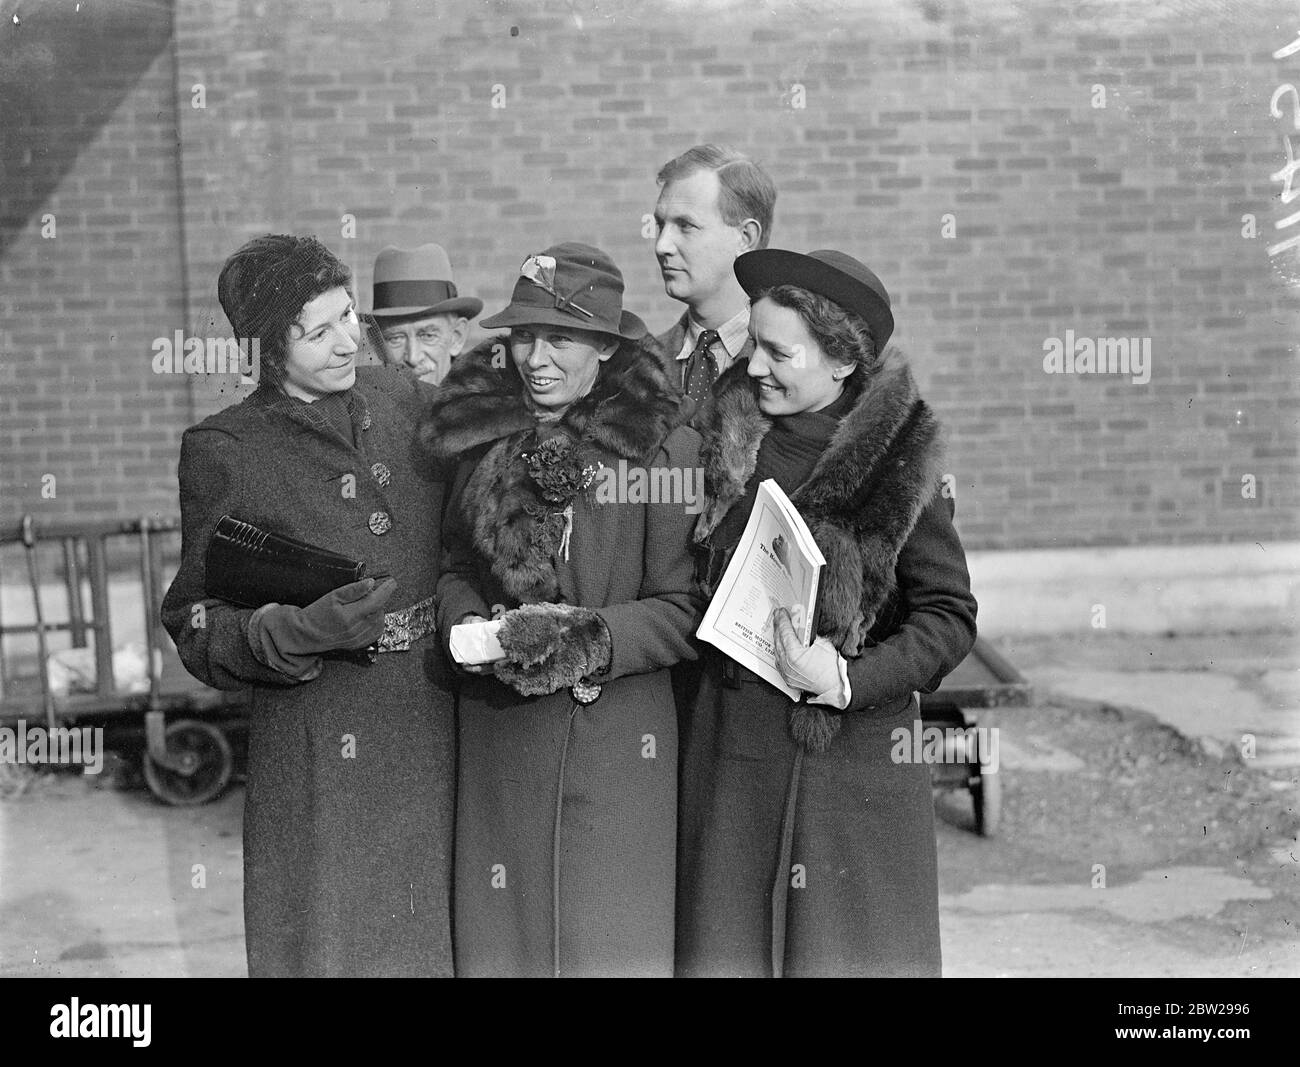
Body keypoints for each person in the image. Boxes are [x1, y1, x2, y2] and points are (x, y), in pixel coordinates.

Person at [676, 248, 979, 978]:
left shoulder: (898, 462)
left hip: (850, 775)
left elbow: (948, 614)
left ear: (842, 360)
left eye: (780, 353)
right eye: (755, 346)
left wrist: (845, 676)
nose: (754, 369)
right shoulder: (716, 442)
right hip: (731, 755)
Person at [160, 234, 455, 977]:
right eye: (318, 332)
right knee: (334, 941)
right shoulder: (227, 447)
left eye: (350, 316)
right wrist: (285, 632)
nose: (348, 340)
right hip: (321, 739)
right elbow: (194, 621)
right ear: (264, 350)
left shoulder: (403, 398)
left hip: (433, 716)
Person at [424, 242, 702, 977]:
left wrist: (584, 639)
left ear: (606, 348)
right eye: (522, 335)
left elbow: (686, 607)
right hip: (502, 746)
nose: (535, 358)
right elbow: (455, 563)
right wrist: (463, 625)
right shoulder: (482, 442)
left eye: (561, 338)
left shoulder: (662, 456)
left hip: (614, 757)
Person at [651, 144, 776, 403]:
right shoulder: (644, 364)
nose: (662, 245)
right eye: (661, 224)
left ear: (745, 237)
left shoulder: (792, 370)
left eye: (686, 226)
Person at [369, 242, 482, 385]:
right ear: (377, 346)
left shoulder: (490, 405)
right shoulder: (360, 405)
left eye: (428, 336)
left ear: (456, 338)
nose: (413, 358)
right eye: (395, 338)